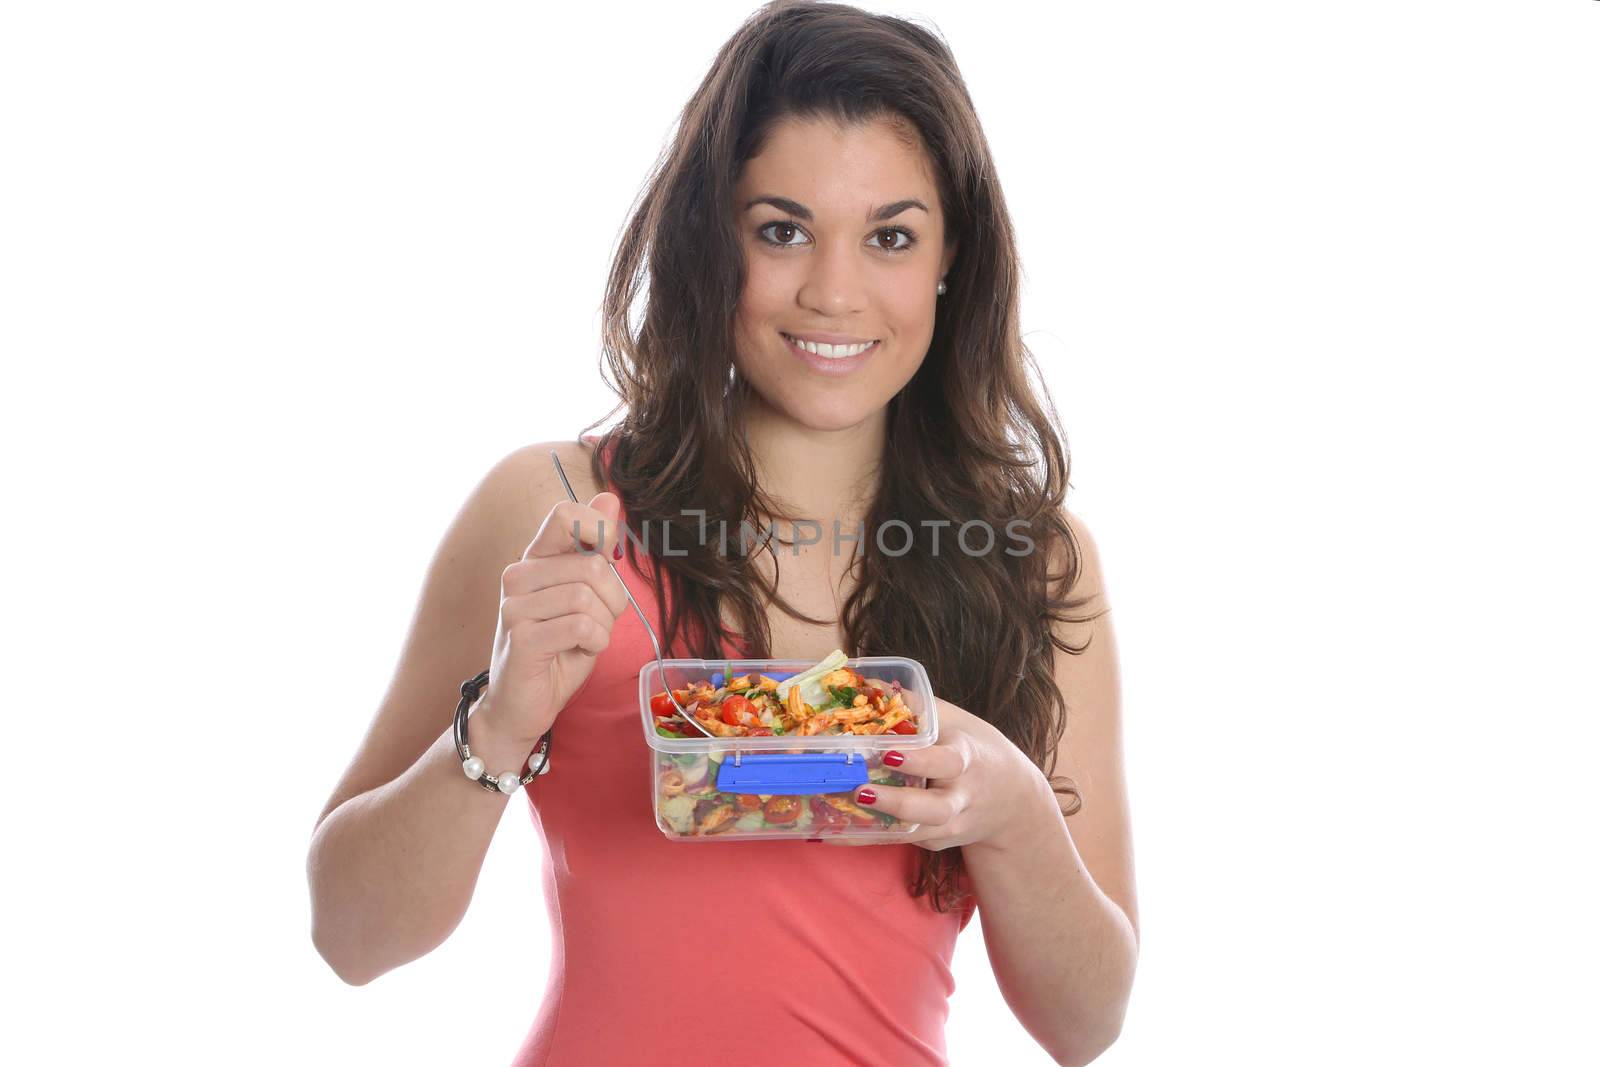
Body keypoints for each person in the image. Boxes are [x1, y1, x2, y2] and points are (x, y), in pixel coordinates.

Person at [305, 2, 1138, 1064]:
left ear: (948, 257)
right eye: (781, 230)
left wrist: (1014, 810)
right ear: (713, 243)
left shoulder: (1033, 561)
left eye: (889, 235)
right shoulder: (556, 514)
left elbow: (1088, 1023)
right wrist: (503, 720)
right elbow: (349, 936)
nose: (834, 292)